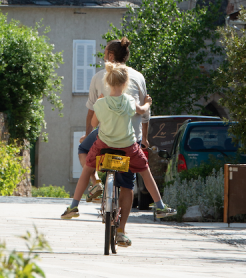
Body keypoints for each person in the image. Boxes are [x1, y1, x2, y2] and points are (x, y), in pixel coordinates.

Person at [61, 45, 174, 244]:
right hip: (129, 146)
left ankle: (74, 205)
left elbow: (94, 122)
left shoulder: (101, 99)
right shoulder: (130, 98)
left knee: (88, 166)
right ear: (126, 82)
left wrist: (99, 112)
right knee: (142, 172)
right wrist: (147, 103)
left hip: (104, 143)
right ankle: (159, 206)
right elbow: (143, 112)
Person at [76, 38, 150, 247]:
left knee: (84, 150)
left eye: (104, 53)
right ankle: (122, 231)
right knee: (128, 185)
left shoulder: (100, 76)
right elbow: (145, 112)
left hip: (105, 136)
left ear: (110, 56)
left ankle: (96, 183)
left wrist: (86, 133)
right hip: (130, 139)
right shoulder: (138, 77)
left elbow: (92, 109)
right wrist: (144, 138)